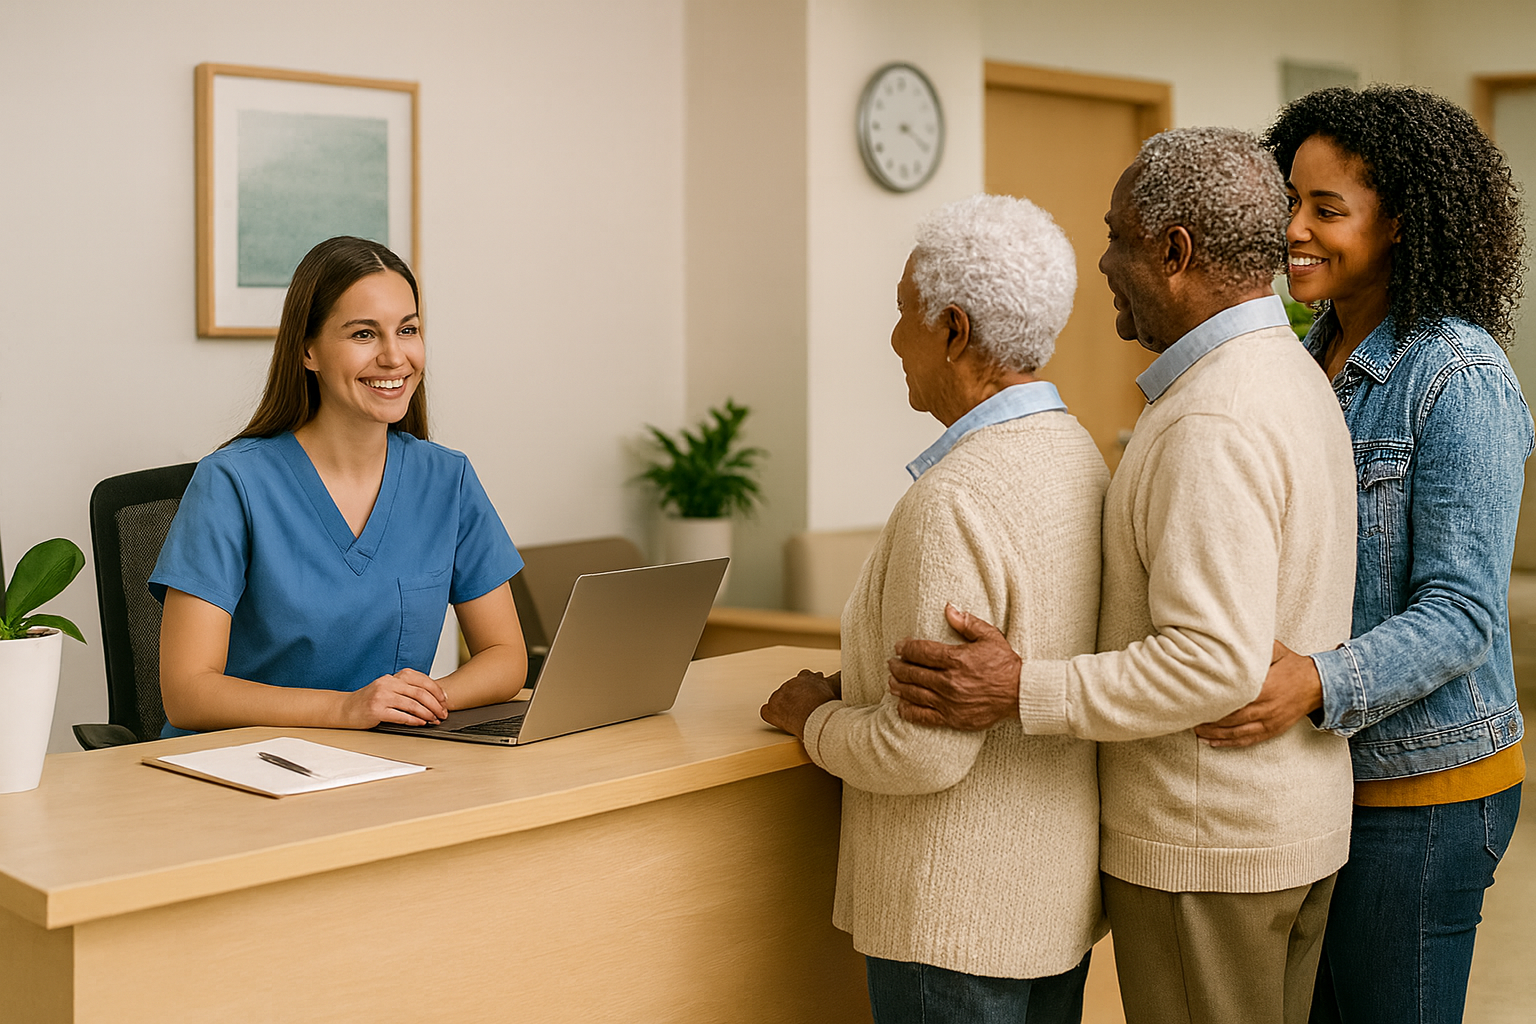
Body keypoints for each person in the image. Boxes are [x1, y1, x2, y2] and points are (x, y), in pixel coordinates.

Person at [885, 129, 1359, 1024]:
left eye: (1115, 235)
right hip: (1286, 828)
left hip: (1207, 846)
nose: (1100, 260)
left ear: (1173, 252)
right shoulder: (1291, 374)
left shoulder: (1210, 417)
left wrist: (1020, 688)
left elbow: (1210, 661)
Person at [1193, 86, 1531, 1024]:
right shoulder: (1308, 350)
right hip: (1329, 776)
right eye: (1288, 202)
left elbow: (1462, 614)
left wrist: (1314, 680)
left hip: (1426, 788)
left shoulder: (1459, 376)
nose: (1292, 230)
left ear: (1401, 226)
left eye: (1325, 210)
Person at [761, 194, 1108, 1023]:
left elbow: (923, 754)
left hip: (951, 921)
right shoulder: (1079, 454)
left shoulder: (953, 498)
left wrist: (812, 717)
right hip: (1050, 900)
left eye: (901, 314)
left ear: (952, 330)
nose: (892, 339)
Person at [152, 236, 527, 735]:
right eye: (364, 335)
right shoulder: (231, 482)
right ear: (308, 351)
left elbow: (506, 656)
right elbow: (187, 693)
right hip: (244, 770)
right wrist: (348, 710)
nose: (395, 357)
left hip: (385, 761)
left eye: (408, 329)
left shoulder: (447, 479)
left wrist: (415, 704)